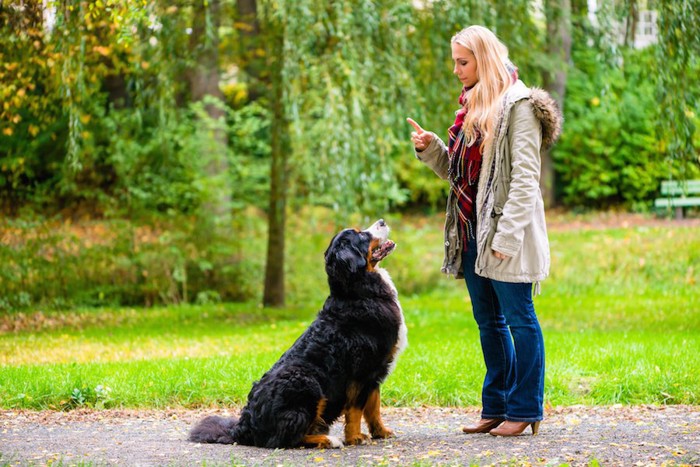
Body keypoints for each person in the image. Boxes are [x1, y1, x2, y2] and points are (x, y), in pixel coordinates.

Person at [407, 25, 562, 437]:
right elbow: (460, 175)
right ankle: (496, 406)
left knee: (519, 318)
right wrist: (431, 149)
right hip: (470, 230)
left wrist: (506, 238)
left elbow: (527, 179)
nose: (456, 70)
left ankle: (526, 408)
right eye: (455, 61)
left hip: (505, 235)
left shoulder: (520, 105)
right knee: (488, 322)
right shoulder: (472, 106)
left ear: (484, 58)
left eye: (463, 61)